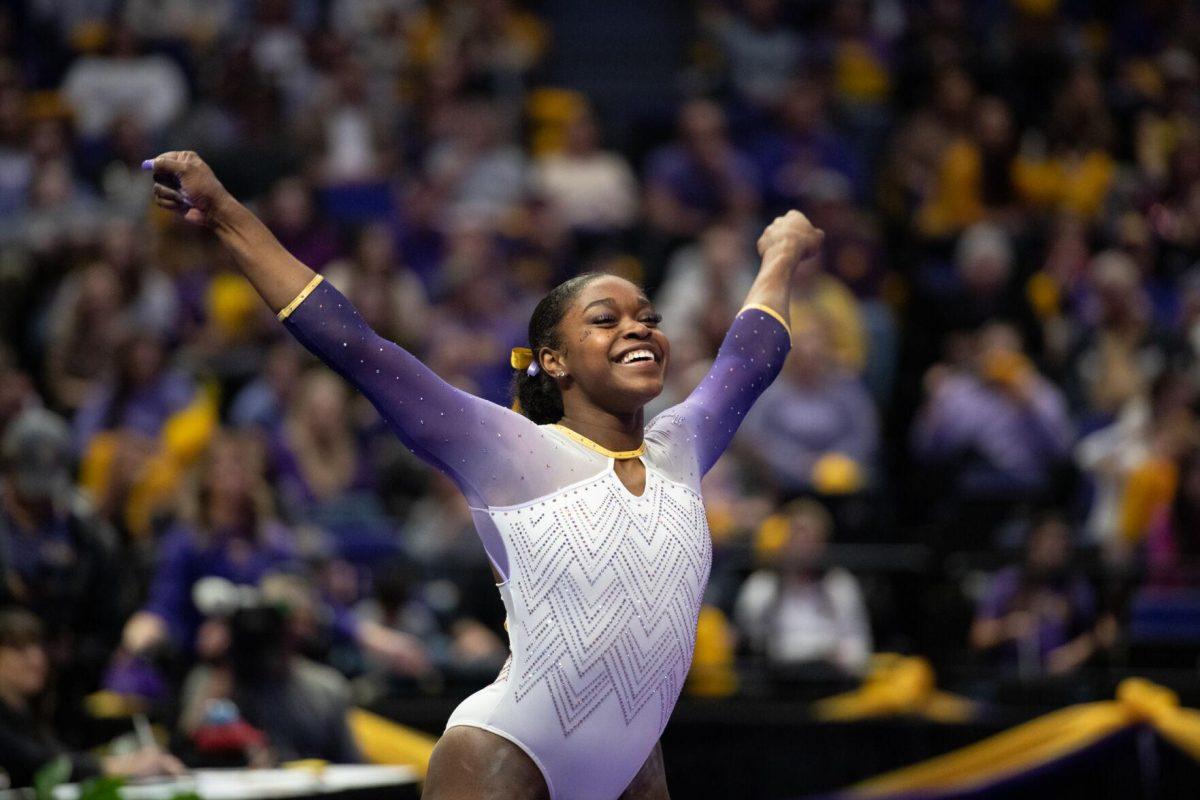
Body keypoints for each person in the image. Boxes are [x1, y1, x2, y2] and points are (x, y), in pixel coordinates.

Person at [145, 150, 822, 800]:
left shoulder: (683, 445)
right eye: (605, 320)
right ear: (553, 361)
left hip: (632, 764)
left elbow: (751, 356)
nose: (638, 328)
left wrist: (780, 252)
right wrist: (227, 212)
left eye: (648, 317)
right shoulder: (511, 450)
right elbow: (353, 344)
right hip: (506, 751)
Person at [0, 607, 184, 788]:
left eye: (38, 647)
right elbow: (36, 764)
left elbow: (57, 755)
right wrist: (123, 767)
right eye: (18, 648)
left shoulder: (28, 712)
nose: (37, 659)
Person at [734, 499, 872, 676]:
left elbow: (859, 645)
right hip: (777, 680)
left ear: (822, 543)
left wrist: (839, 657)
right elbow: (750, 643)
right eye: (796, 535)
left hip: (829, 678)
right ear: (782, 538)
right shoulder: (761, 586)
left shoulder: (840, 585)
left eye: (810, 537)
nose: (802, 544)